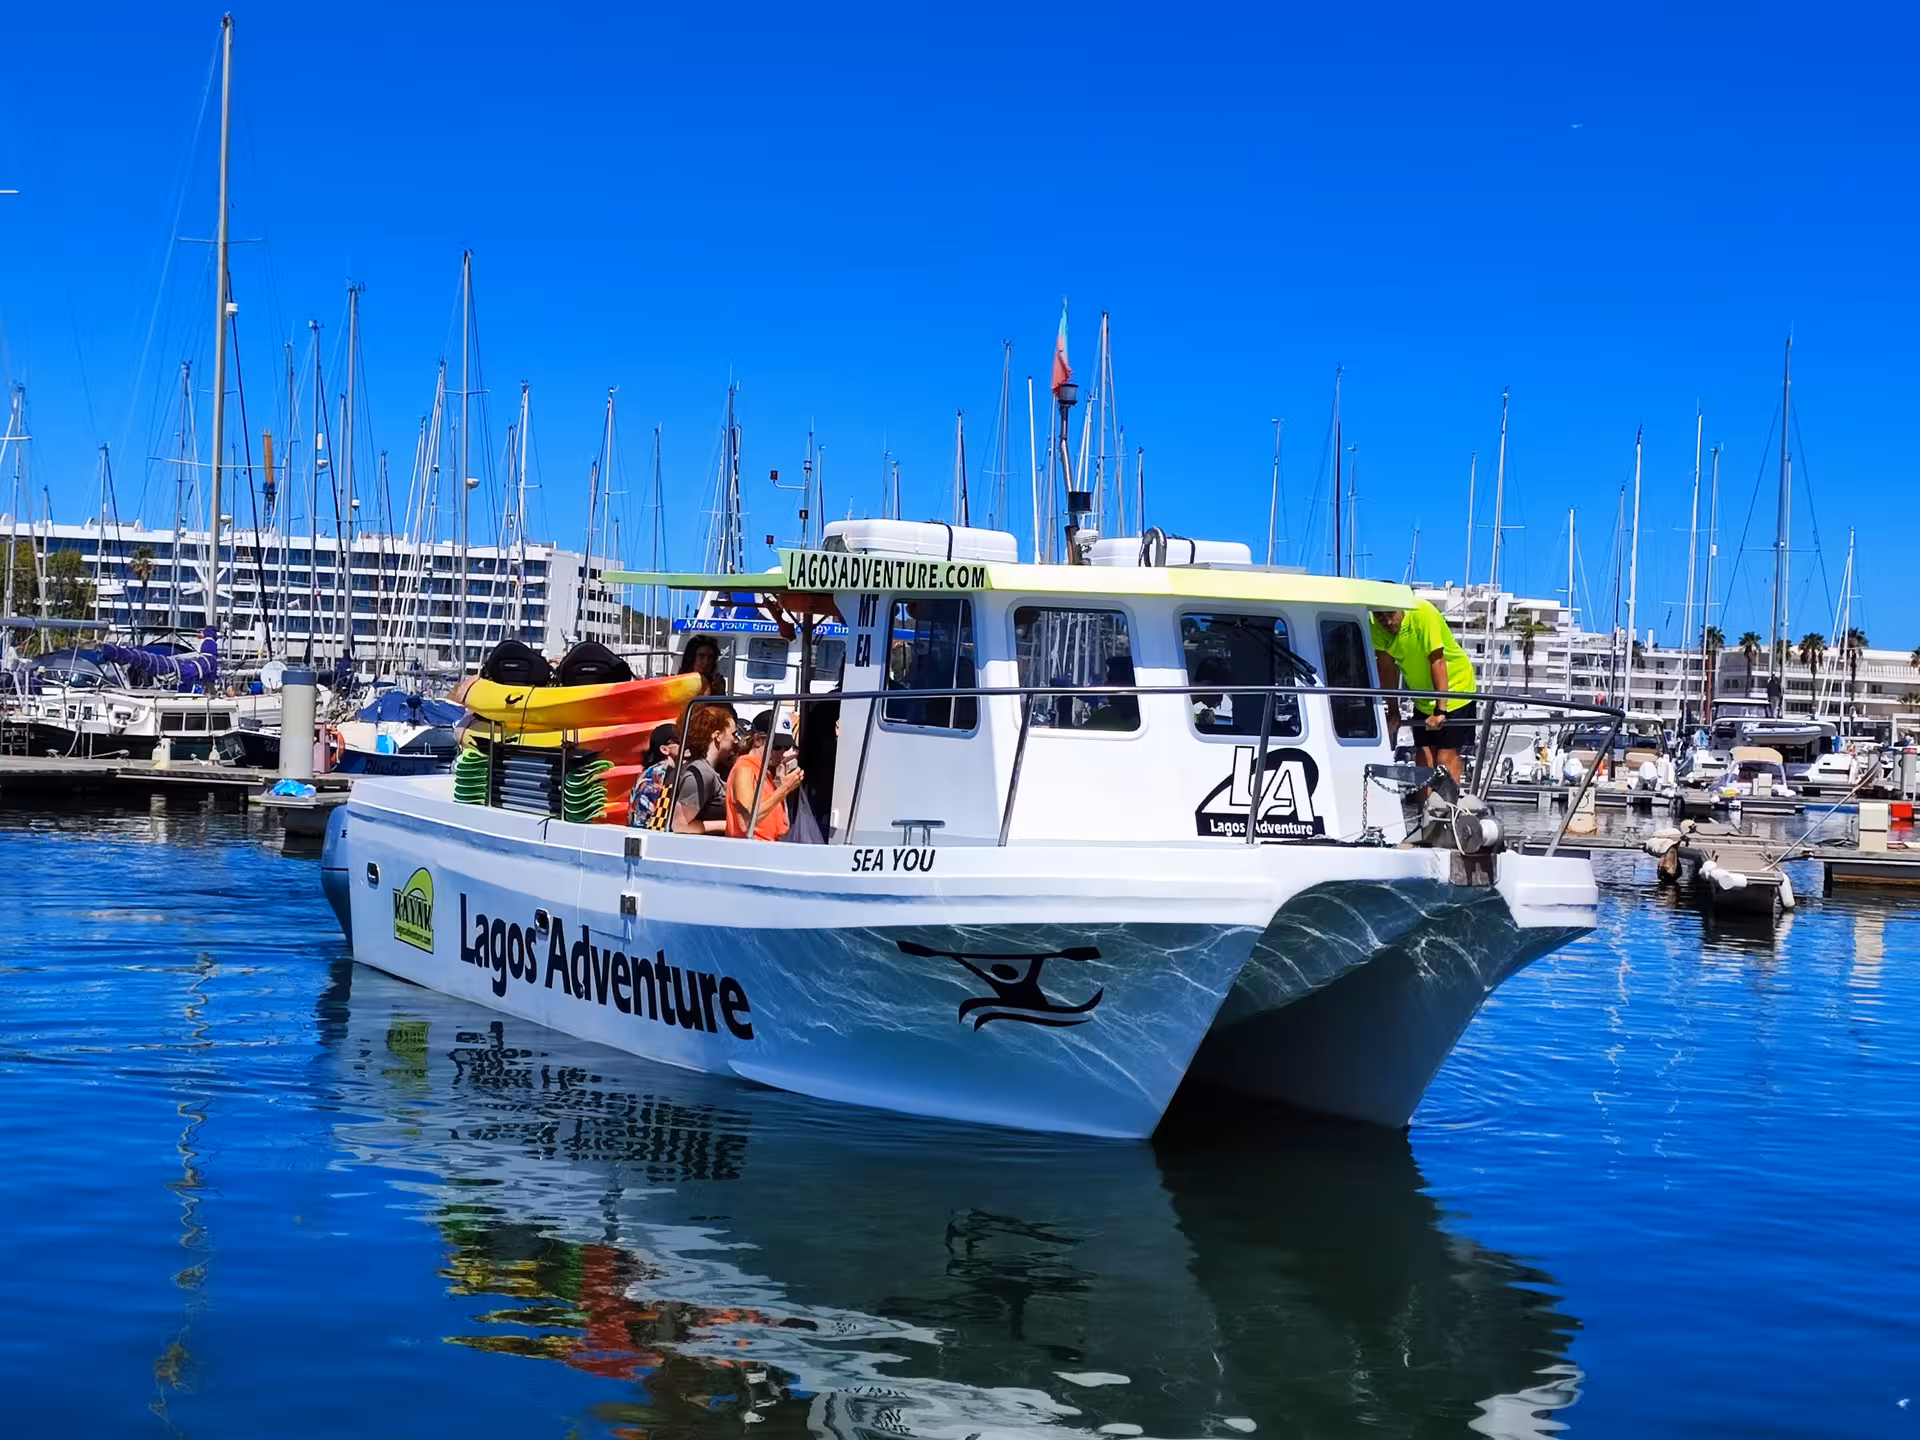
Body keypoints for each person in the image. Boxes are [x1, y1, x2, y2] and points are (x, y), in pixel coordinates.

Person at [1370, 601, 1478, 783]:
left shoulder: (1422, 612)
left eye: (1390, 614)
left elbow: (1437, 660)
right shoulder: (1375, 625)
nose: (1387, 622)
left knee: (1444, 758)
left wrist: (1441, 710)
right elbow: (1386, 670)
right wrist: (1393, 711)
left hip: (1456, 690)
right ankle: (1425, 809)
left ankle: (1447, 809)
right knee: (1423, 758)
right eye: (1380, 616)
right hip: (1422, 698)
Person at [727, 711, 805, 841]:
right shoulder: (744, 768)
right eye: (777, 746)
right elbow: (749, 820)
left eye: (786, 747)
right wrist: (784, 789)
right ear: (758, 740)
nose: (781, 753)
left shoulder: (764, 771)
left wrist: (781, 786)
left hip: (767, 849)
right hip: (750, 853)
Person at [671, 703, 737, 834]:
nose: (735, 740)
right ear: (717, 735)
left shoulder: (705, 770)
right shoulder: (700, 773)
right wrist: (728, 825)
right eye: (733, 734)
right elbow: (680, 826)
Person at [627, 723, 679, 830]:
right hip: (648, 835)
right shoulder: (661, 773)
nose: (687, 744)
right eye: (679, 741)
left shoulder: (654, 771)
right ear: (664, 749)